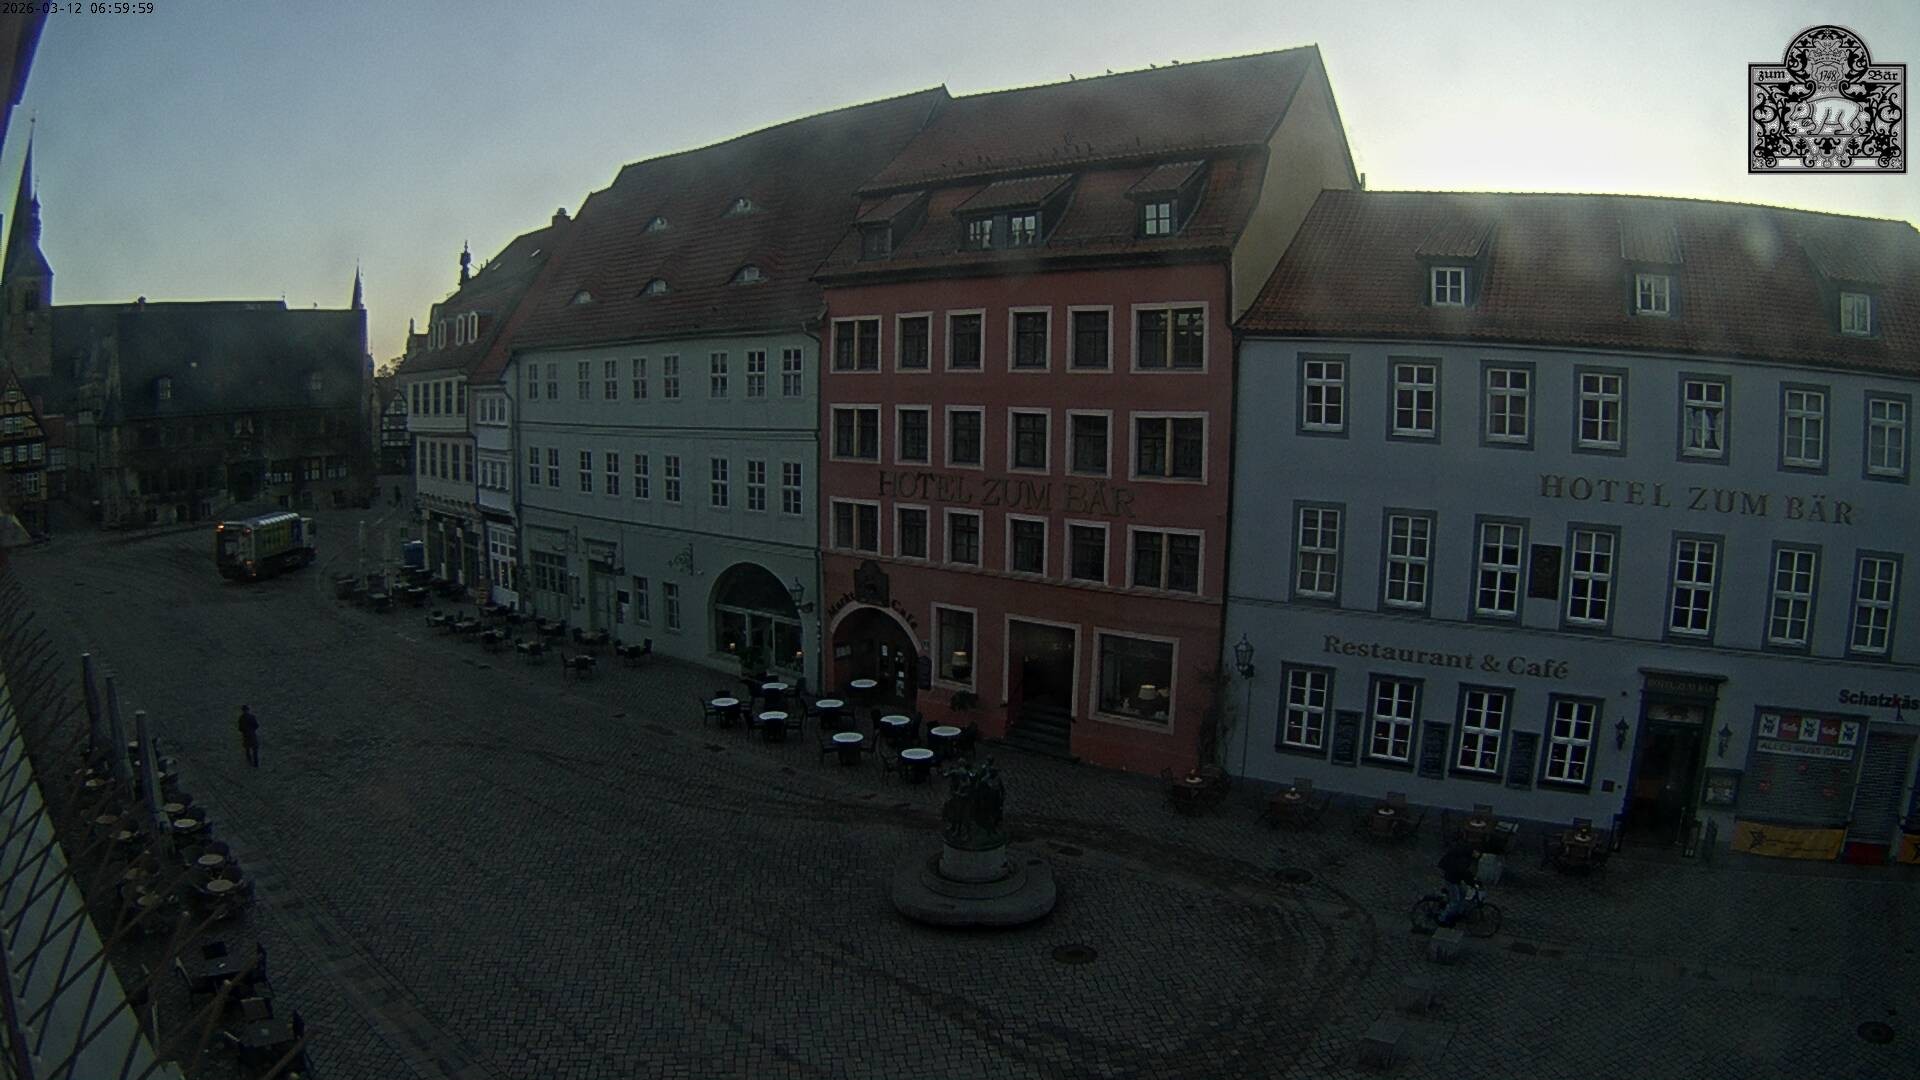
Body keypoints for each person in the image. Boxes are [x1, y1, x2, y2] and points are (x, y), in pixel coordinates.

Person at [1437, 838, 1477, 926]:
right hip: (1451, 879)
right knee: (1455, 900)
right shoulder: (1464, 858)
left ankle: (1458, 912)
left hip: (1455, 878)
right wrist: (1472, 882)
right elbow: (1463, 872)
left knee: (1463, 893)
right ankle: (1442, 919)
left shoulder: (1465, 856)